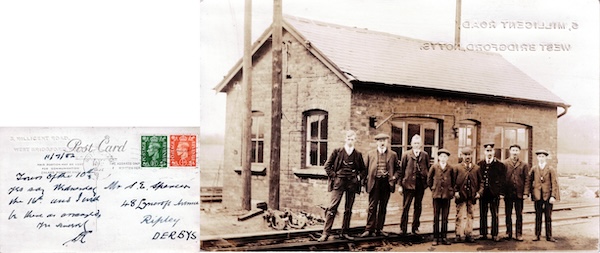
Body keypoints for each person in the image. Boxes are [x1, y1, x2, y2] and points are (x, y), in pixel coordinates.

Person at [318, 130, 366, 242]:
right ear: (345, 139)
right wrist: (334, 177)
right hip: (339, 183)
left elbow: (363, 170)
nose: (350, 141)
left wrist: (358, 177)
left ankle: (345, 232)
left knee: (348, 209)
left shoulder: (358, 154)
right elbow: (327, 166)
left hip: (352, 184)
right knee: (332, 207)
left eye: (352, 139)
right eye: (348, 139)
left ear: (355, 140)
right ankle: (326, 233)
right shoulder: (337, 152)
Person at [360, 133, 399, 238]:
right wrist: (363, 184)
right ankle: (369, 229)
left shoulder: (393, 154)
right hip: (374, 183)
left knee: (383, 206)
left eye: (384, 141)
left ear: (387, 142)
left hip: (386, 183)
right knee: (372, 206)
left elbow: (398, 169)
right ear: (377, 142)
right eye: (380, 141)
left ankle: (379, 229)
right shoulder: (370, 154)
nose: (382, 143)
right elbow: (364, 170)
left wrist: (394, 178)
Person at [524, 149, 560, 242]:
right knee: (538, 216)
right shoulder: (534, 168)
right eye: (539, 156)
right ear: (537, 158)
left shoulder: (550, 169)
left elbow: (554, 183)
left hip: (548, 196)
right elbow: (528, 181)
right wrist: (527, 193)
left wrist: (553, 196)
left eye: (543, 156)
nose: (541, 158)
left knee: (548, 216)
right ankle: (537, 235)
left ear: (546, 158)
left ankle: (549, 236)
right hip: (537, 195)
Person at [398, 134, 430, 235]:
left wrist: (426, 183)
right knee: (406, 207)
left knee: (418, 207)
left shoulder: (424, 155)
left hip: (420, 185)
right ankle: (403, 228)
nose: (416, 145)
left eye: (418, 143)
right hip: (408, 185)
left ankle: (415, 227)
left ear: (421, 144)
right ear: (411, 144)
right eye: (415, 143)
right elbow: (401, 171)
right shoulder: (406, 155)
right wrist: (400, 185)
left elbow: (428, 169)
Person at [476, 143, 506, 242]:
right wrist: (478, 192)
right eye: (487, 151)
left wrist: (501, 193)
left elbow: (503, 180)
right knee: (482, 213)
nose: (489, 153)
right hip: (483, 193)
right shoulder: (480, 164)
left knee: (494, 214)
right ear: (484, 152)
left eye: (491, 151)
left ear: (494, 152)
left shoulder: (500, 165)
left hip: (494, 193)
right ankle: (483, 233)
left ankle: (494, 234)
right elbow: (477, 179)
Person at [453, 147, 482, 243]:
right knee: (459, 215)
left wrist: (479, 192)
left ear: (472, 156)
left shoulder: (476, 168)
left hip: (472, 196)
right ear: (462, 156)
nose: (467, 157)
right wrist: (456, 192)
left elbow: (481, 182)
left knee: (471, 215)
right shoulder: (457, 168)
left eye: (469, 155)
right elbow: (453, 182)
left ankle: (469, 234)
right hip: (461, 196)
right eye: (465, 155)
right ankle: (458, 234)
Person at [427, 149, 455, 246]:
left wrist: (451, 191)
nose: (443, 158)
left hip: (446, 196)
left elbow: (454, 181)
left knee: (445, 217)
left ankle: (444, 237)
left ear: (447, 158)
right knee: (436, 217)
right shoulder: (434, 167)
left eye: (445, 157)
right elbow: (429, 180)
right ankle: (435, 238)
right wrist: (434, 189)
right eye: (441, 156)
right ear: (438, 157)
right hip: (437, 195)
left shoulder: (451, 168)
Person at [502, 144, 530, 241]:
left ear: (519, 152)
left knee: (519, 214)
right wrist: (502, 192)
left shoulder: (524, 164)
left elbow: (527, 179)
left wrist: (526, 193)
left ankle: (519, 234)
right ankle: (508, 233)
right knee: (508, 214)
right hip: (508, 193)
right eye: (513, 150)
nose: (514, 152)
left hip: (519, 194)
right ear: (510, 151)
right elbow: (501, 179)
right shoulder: (504, 163)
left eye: (516, 150)